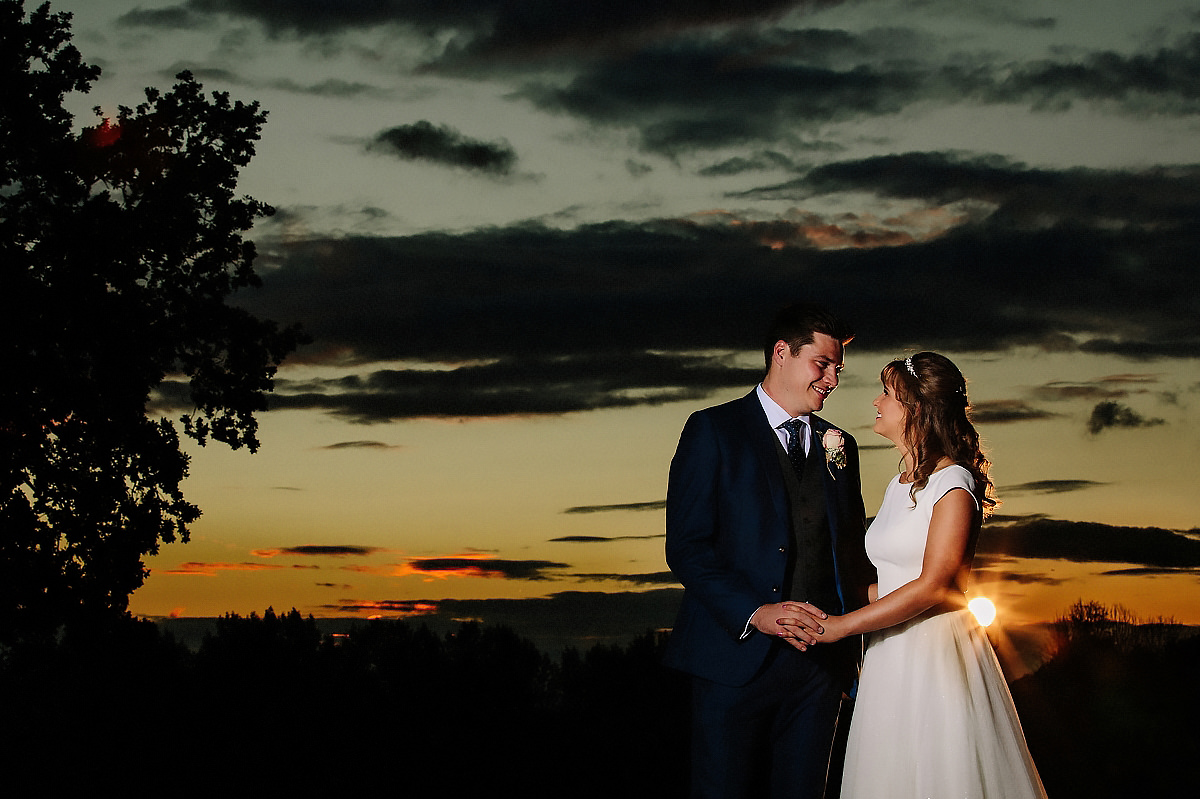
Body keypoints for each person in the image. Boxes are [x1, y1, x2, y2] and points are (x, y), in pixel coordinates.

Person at [811, 351, 1047, 799]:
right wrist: (828, 595)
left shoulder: (953, 483)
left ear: (915, 408)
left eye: (887, 394)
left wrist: (840, 627)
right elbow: (896, 581)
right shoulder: (902, 484)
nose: (876, 402)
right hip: (889, 651)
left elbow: (937, 584)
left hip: (934, 654)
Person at [663, 303, 875, 799]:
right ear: (782, 353)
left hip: (818, 672)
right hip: (732, 662)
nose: (832, 380)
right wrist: (756, 612)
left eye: (838, 369)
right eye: (822, 364)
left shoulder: (839, 444)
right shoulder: (712, 430)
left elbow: (849, 555)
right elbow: (687, 548)